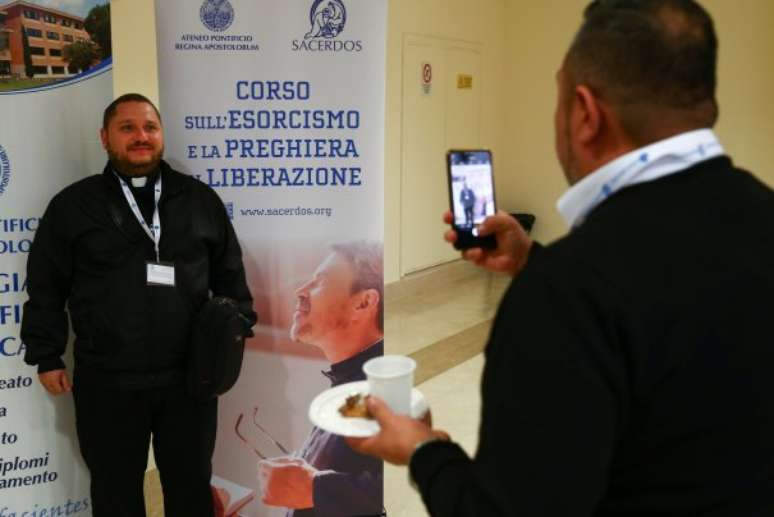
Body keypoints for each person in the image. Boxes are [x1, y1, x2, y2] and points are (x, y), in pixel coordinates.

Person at [349, 1, 774, 515]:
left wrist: (422, 450)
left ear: (585, 114)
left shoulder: (563, 298)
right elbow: (680, 294)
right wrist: (536, 261)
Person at [21, 93, 257, 516]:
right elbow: (46, 284)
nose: (140, 137)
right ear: (105, 137)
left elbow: (229, 271)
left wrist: (238, 324)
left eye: (149, 127)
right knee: (114, 492)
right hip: (107, 382)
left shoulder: (198, 200)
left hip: (189, 378)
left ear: (161, 135)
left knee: (190, 487)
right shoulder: (73, 206)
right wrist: (46, 353)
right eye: (127, 128)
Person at [259, 241, 384, 516]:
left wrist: (314, 488)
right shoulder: (349, 383)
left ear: (363, 303)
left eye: (320, 282)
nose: (300, 291)